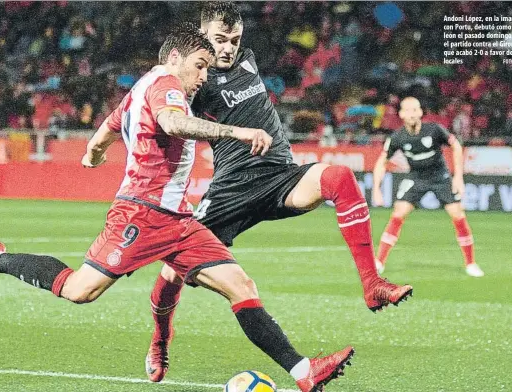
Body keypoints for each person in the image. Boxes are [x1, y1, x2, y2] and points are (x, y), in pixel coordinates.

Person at [0, 24, 354, 392]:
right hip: (141, 214)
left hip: (179, 220)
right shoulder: (167, 85)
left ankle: (304, 372)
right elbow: (174, 123)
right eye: (200, 66)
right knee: (79, 290)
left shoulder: (143, 85)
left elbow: (109, 123)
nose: (204, 78)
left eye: (209, 69)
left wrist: (94, 149)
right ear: (176, 58)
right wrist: (237, 131)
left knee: (240, 286)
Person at [145, 2, 413, 383]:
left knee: (339, 177)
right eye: (219, 40)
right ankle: (161, 339)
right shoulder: (194, 82)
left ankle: (372, 285)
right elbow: (173, 120)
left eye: (234, 40)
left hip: (279, 176)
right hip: (231, 192)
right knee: (172, 271)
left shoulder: (249, 60)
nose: (228, 48)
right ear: (202, 36)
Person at [372, 97, 484, 278]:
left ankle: (471, 263)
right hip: (416, 177)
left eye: (415, 110)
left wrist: (458, 177)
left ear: (421, 113)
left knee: (458, 214)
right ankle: (379, 262)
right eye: (407, 110)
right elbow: (381, 163)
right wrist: (376, 189)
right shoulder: (397, 137)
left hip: (440, 176)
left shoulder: (434, 130)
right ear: (400, 114)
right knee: (398, 214)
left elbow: (456, 146)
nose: (411, 114)